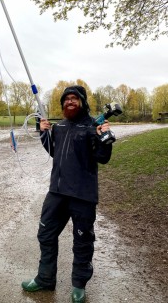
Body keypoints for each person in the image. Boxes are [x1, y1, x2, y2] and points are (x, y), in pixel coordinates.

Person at [21, 85, 113, 303]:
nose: (70, 102)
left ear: (82, 102)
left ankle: (79, 285)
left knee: (82, 241)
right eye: (66, 99)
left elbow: (103, 157)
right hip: (57, 192)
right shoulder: (60, 126)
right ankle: (45, 279)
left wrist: (104, 137)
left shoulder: (93, 125)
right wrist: (44, 132)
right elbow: (54, 151)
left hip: (83, 195)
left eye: (74, 99)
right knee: (46, 234)